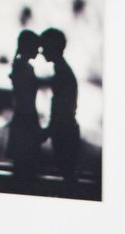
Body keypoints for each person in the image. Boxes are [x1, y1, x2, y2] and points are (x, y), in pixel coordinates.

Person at [40, 28, 80, 191]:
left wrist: (49, 130)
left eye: (44, 47)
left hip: (64, 131)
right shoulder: (63, 71)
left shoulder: (62, 73)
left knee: (68, 176)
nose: (41, 52)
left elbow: (62, 108)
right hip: (65, 129)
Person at [5, 30, 44, 190]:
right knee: (26, 170)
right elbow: (26, 101)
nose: (38, 51)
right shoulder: (24, 68)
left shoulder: (21, 67)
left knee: (23, 168)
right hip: (26, 121)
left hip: (23, 120)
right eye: (36, 47)